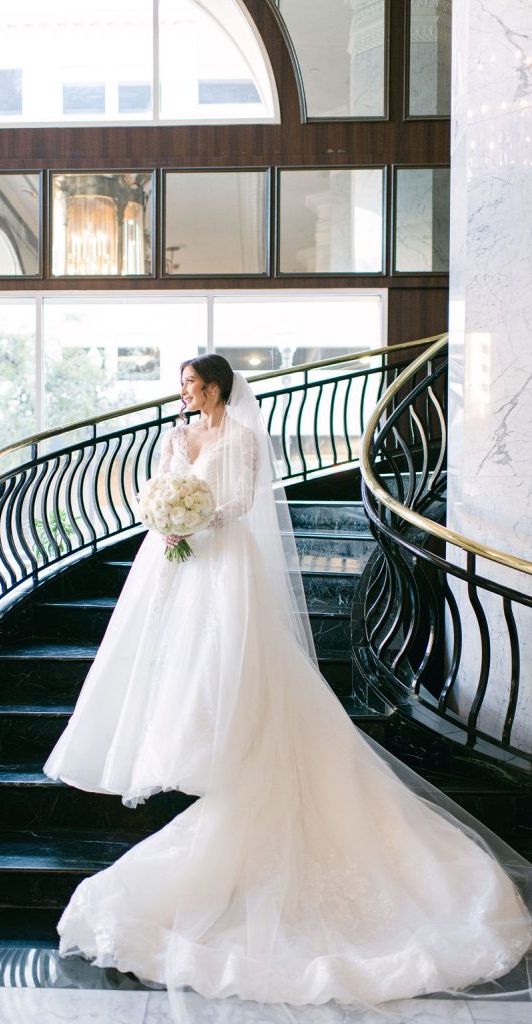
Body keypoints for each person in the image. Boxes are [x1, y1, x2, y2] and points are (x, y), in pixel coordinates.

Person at [44, 355, 532, 1009]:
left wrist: (198, 514)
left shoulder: (241, 438)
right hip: (175, 561)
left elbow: (243, 501)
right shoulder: (173, 437)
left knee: (229, 654)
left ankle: (232, 735)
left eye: (190, 384)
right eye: (181, 385)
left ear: (213, 387)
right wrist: (167, 515)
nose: (182, 393)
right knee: (173, 661)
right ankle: (185, 743)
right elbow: (159, 487)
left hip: (222, 560)